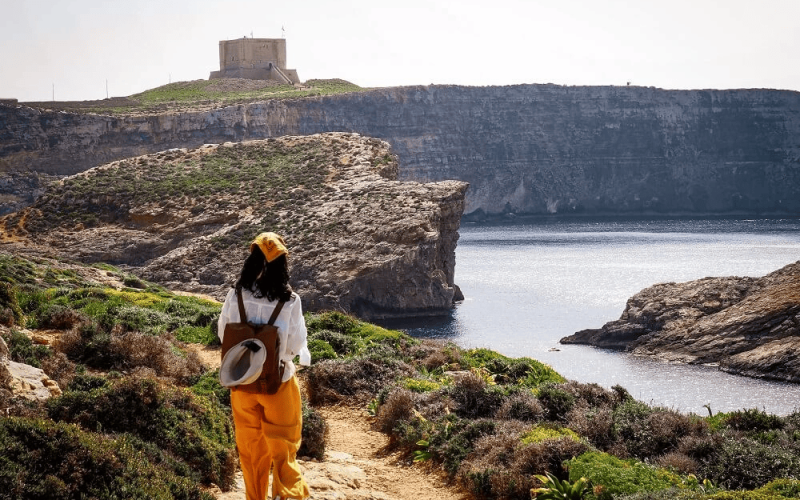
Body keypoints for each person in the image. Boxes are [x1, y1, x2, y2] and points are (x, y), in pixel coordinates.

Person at [217, 232, 311, 500]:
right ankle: (287, 495)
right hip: (277, 384)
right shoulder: (291, 301)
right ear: (283, 264)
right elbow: (293, 346)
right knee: (284, 447)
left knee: (250, 451)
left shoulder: (235, 295)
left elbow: (224, 334)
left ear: (251, 261)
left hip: (242, 382)